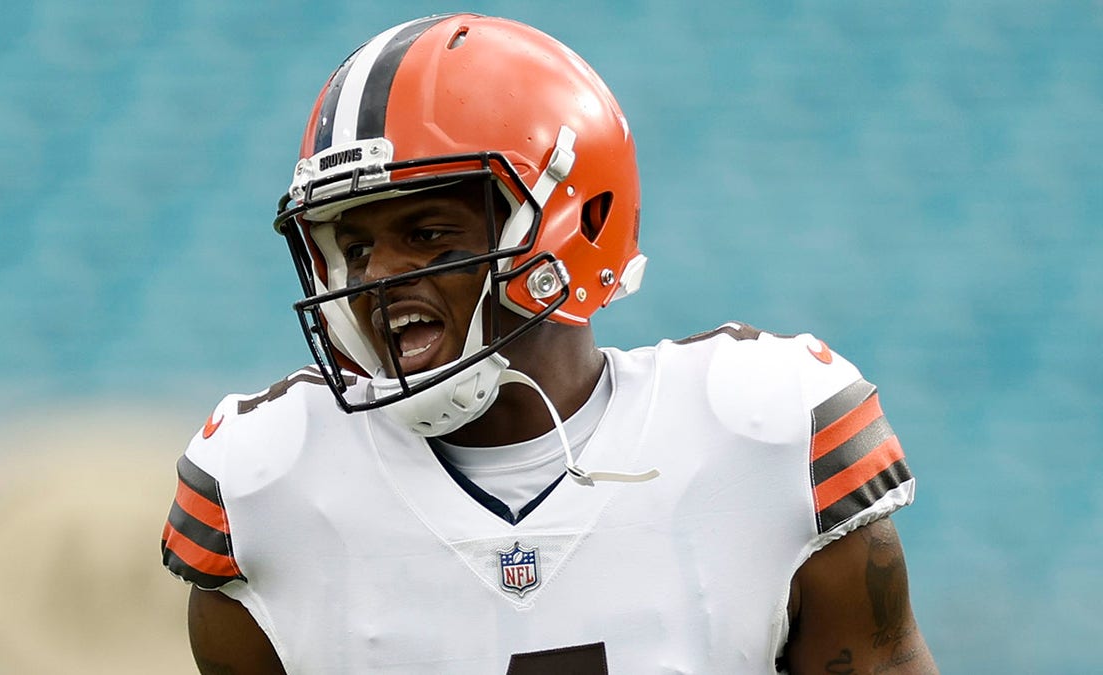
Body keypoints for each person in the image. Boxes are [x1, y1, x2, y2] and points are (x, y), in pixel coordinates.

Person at [161, 13, 938, 674]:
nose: (378, 278)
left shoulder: (764, 433)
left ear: (572, 229)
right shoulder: (265, 488)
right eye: (355, 249)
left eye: (427, 234)